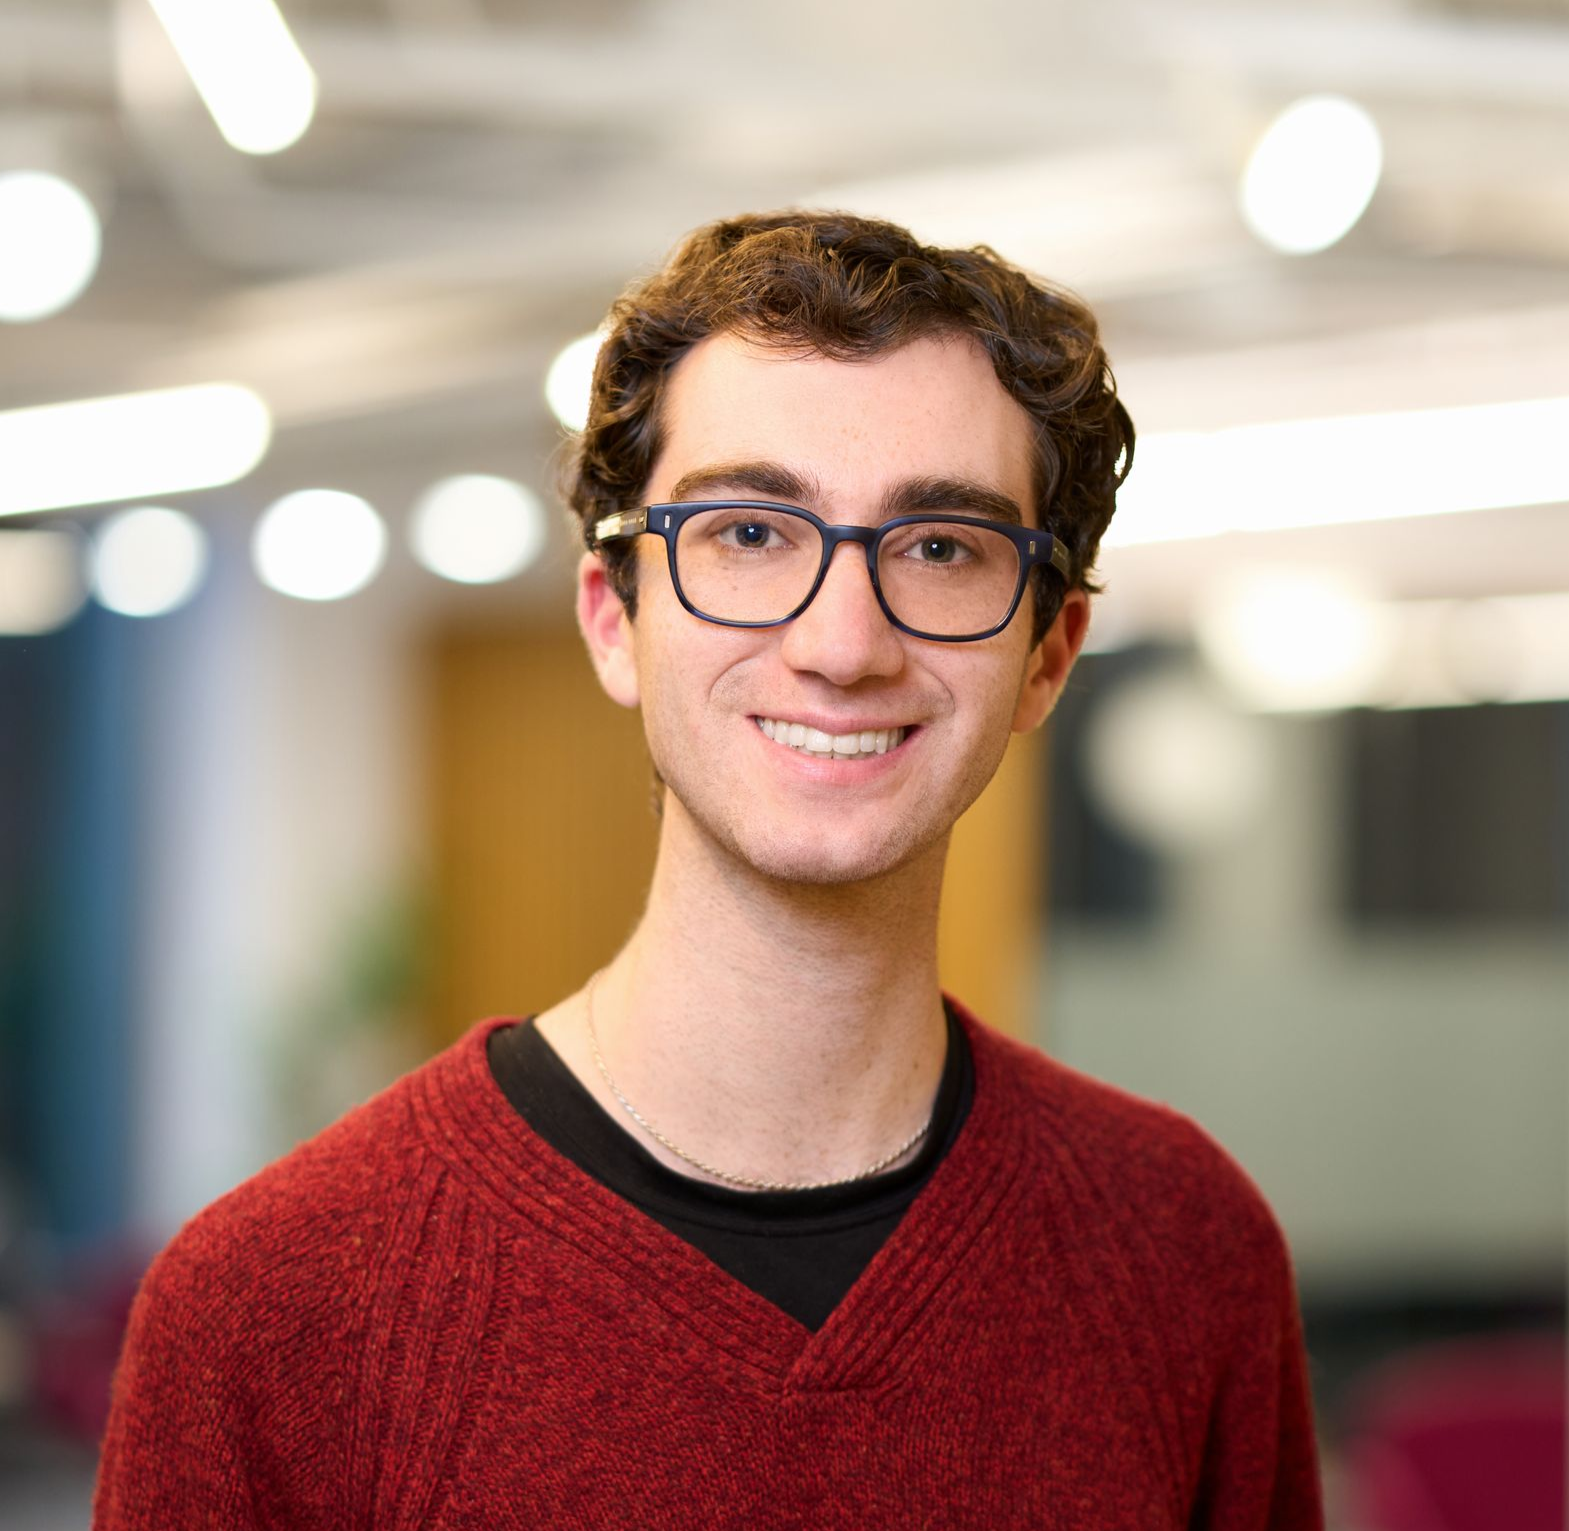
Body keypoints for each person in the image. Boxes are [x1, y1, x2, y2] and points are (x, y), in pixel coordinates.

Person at [93, 210, 1324, 1528]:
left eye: (944, 548)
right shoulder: (271, 1306)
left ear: (1049, 653)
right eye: (749, 534)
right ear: (614, 616)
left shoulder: (1184, 1248)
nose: (843, 642)